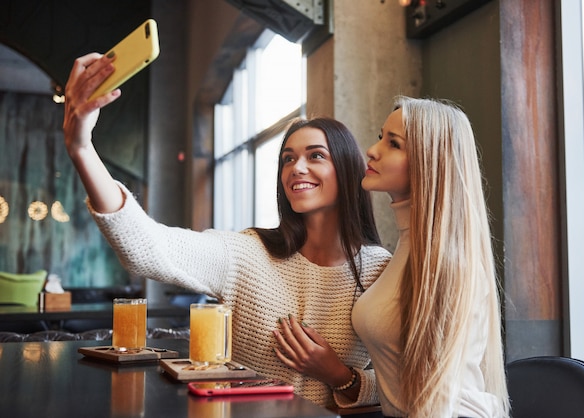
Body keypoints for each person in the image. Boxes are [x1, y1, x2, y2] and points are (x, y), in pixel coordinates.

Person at [62, 52, 391, 409]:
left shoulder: (379, 270)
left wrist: (337, 373)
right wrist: (81, 147)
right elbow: (147, 247)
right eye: (288, 158)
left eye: (315, 156)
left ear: (346, 169)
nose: (296, 168)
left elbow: (400, 382)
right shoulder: (247, 253)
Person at [353, 96, 511, 417]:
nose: (373, 149)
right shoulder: (409, 249)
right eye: (381, 136)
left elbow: (438, 401)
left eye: (393, 144)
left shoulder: (448, 265)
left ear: (430, 161)